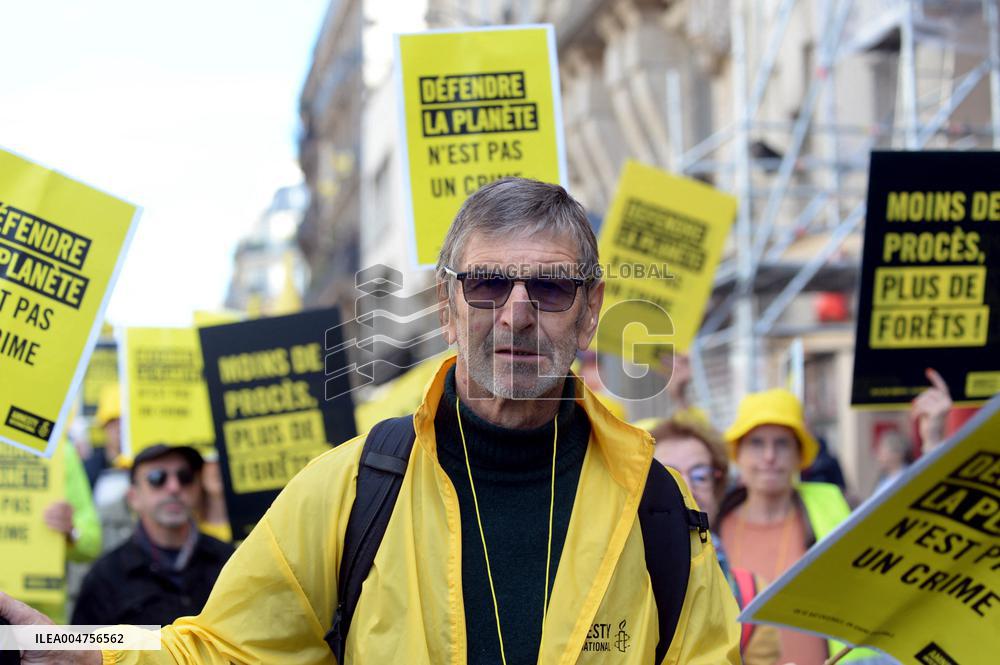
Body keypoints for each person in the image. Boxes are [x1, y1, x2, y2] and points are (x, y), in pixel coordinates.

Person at [0, 177, 740, 664]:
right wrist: (72, 639)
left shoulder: (659, 507)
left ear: (590, 310)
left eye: (547, 287)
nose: (515, 311)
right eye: (486, 284)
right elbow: (217, 648)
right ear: (447, 308)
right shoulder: (353, 487)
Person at [716, 388, 867, 665]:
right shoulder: (713, 524)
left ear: (800, 454)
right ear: (739, 453)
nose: (770, 456)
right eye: (757, 443)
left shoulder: (834, 513)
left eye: (782, 443)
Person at [650, 414, 781, 665]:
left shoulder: (751, 594)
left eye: (700, 475)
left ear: (717, 490)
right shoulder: (616, 578)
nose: (687, 487)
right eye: (669, 476)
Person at [71, 444, 234, 626]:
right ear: (133, 497)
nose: (174, 487)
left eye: (185, 477)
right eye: (157, 478)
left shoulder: (230, 561)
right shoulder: (105, 577)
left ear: (197, 488)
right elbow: (84, 649)